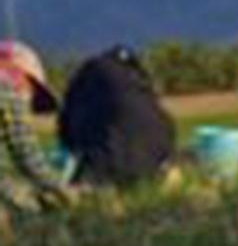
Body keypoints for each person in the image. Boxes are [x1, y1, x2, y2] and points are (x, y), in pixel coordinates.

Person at [59, 46, 177, 188]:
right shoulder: (139, 81)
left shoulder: (89, 76)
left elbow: (67, 130)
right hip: (156, 162)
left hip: (109, 168)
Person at [0, 42, 72, 217]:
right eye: (33, 92)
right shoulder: (7, 92)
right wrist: (63, 191)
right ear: (24, 78)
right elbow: (27, 156)